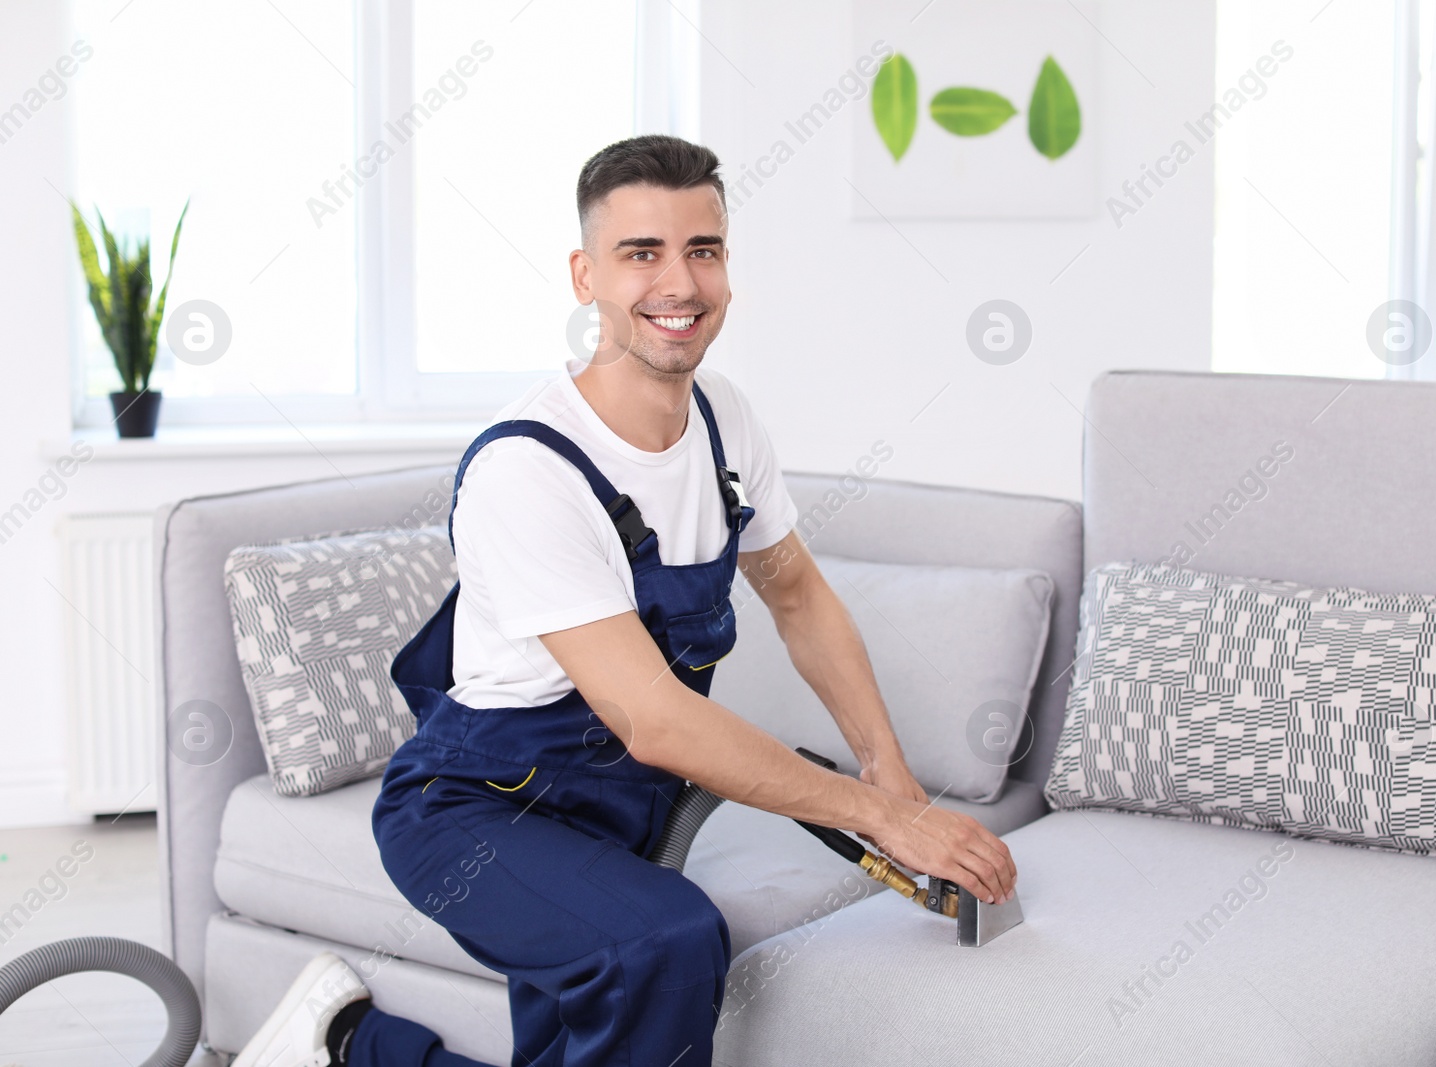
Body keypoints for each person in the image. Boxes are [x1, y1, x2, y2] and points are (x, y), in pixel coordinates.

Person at [234, 134, 1017, 1067]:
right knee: (665, 945)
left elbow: (798, 593)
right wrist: (881, 817)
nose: (678, 283)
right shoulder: (528, 466)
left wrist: (889, 771)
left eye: (703, 249)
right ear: (585, 275)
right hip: (479, 813)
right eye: (641, 253)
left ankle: (343, 1042)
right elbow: (653, 719)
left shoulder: (727, 420)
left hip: (618, 811)